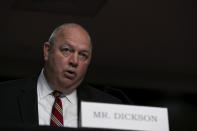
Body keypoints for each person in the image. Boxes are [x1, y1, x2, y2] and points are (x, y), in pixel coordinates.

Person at [0, 23, 122, 127]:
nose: (74, 61)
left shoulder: (109, 107)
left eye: (83, 55)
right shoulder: (4, 95)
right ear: (47, 51)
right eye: (67, 50)